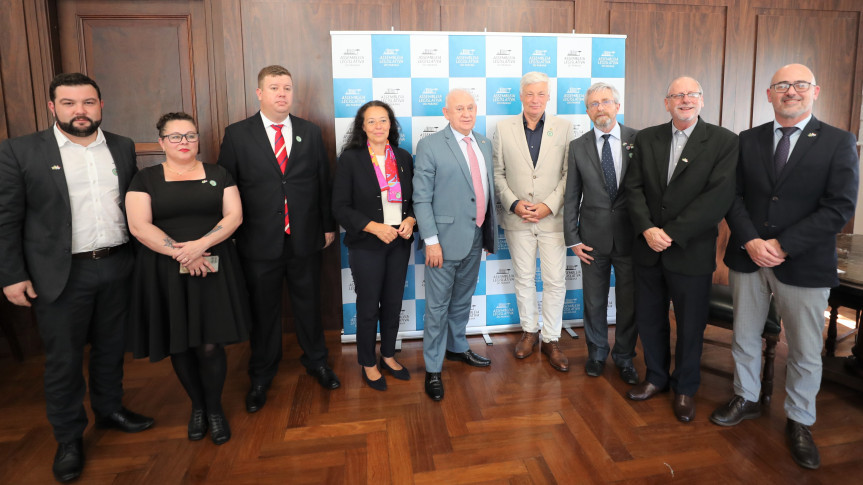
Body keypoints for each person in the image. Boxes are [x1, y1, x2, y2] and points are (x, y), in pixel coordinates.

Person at [0, 73, 153, 483]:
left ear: (101, 105)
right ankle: (69, 438)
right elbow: (6, 218)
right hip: (61, 272)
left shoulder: (120, 147)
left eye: (88, 102)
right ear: (53, 108)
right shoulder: (20, 151)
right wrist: (11, 275)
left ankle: (109, 410)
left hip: (118, 264)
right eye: (69, 103)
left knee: (109, 348)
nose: (79, 111)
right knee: (64, 361)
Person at [711, 64, 858, 469]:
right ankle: (747, 397)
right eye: (782, 86)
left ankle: (799, 420)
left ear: (815, 90)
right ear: (769, 94)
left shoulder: (839, 142)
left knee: (806, 350)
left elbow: (839, 207)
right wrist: (752, 241)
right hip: (749, 255)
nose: (790, 91)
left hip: (805, 263)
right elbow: (733, 196)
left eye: (799, 85)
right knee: (744, 335)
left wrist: (782, 244)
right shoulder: (748, 140)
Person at [218, 65, 339, 413]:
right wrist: (233, 235)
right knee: (264, 312)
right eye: (274, 87)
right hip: (258, 242)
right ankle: (261, 374)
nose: (282, 93)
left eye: (287, 87)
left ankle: (316, 361)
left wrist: (328, 226)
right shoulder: (238, 134)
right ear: (260, 93)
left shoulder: (310, 132)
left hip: (304, 239)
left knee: (309, 305)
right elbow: (229, 187)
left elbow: (322, 182)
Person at [125, 112, 251, 445]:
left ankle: (214, 409)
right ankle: (197, 406)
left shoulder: (218, 173)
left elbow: (234, 215)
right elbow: (139, 225)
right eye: (176, 136)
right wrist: (182, 253)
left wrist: (201, 246)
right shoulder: (145, 178)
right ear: (161, 141)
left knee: (211, 345)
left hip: (213, 264)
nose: (184, 142)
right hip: (166, 269)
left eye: (190, 136)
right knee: (179, 343)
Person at [622, 76, 737, 423]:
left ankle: (685, 387)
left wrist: (669, 234)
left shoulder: (724, 141)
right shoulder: (647, 138)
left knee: (690, 325)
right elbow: (634, 188)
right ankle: (656, 377)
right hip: (647, 248)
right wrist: (647, 229)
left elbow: (717, 199)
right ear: (667, 102)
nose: (684, 100)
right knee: (650, 319)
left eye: (691, 94)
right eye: (677, 95)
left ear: (702, 101)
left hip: (690, 251)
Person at [413, 89, 498, 401]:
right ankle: (433, 368)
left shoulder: (485, 143)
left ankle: (457, 347)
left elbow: (485, 190)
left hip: (475, 237)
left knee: (462, 300)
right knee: (436, 307)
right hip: (443, 242)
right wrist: (431, 241)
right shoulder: (431, 145)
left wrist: (488, 233)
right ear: (446, 112)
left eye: (471, 107)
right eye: (459, 108)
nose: (466, 113)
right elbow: (421, 198)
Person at [492, 72, 574, 372]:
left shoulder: (564, 128)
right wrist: (514, 204)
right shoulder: (503, 128)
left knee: (554, 281)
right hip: (518, 219)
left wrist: (548, 206)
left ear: (548, 96)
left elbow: (569, 174)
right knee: (524, 278)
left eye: (541, 94)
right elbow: (497, 173)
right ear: (521, 95)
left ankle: (552, 338)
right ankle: (529, 332)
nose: (535, 99)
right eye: (530, 94)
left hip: (552, 219)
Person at [332, 101, 415, 391]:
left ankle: (388, 355)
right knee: (369, 306)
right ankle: (368, 362)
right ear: (362, 127)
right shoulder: (351, 159)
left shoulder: (403, 157)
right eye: (372, 121)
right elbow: (340, 207)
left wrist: (411, 219)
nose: (378, 126)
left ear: (391, 124)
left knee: (393, 303)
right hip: (367, 243)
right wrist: (375, 227)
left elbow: (413, 199)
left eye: (383, 120)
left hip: (399, 242)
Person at [563, 82, 639, 383]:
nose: (600, 108)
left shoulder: (638, 139)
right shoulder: (578, 146)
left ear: (617, 106)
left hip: (631, 237)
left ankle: (624, 357)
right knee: (593, 301)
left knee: (628, 302)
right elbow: (572, 196)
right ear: (587, 111)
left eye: (606, 102)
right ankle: (596, 353)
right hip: (591, 239)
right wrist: (573, 238)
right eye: (593, 104)